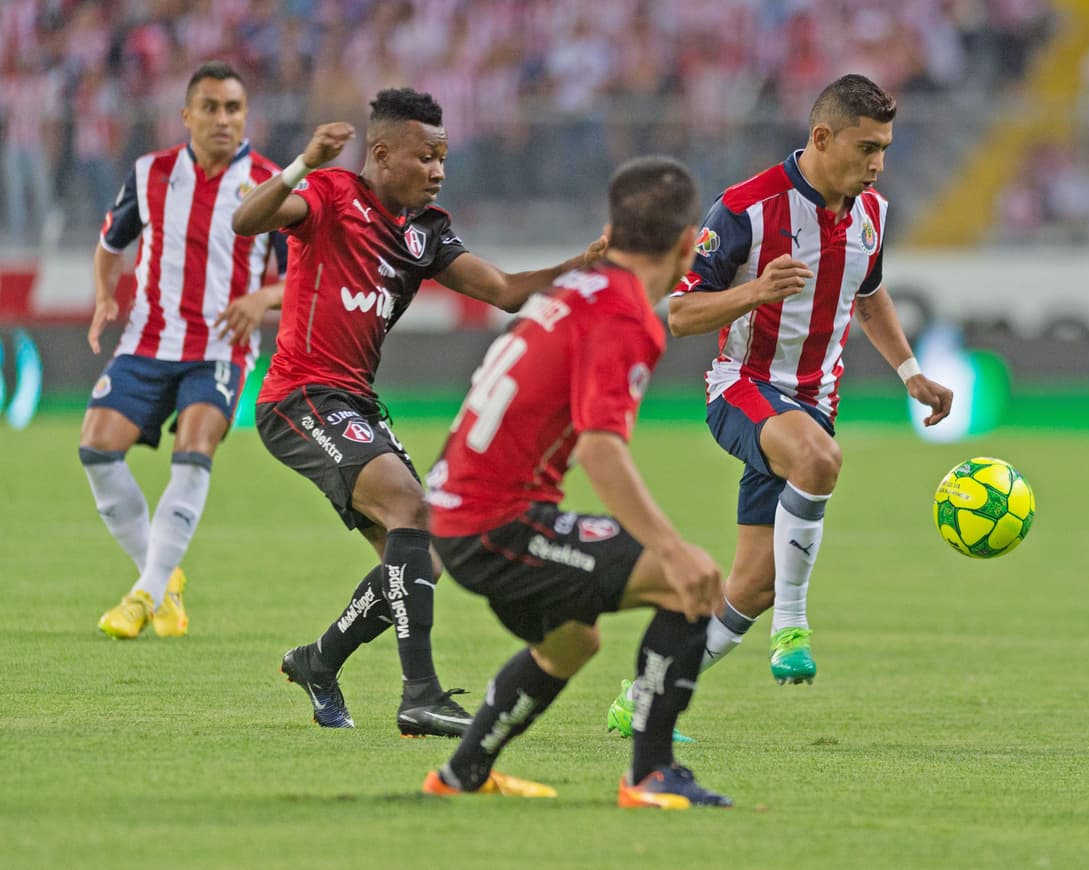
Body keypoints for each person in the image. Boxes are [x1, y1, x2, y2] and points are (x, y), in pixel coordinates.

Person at [232, 88, 607, 738]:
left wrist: (581, 265)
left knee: (423, 558)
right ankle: (420, 695)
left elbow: (505, 291)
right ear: (381, 153)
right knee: (409, 507)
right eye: (425, 157)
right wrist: (302, 163)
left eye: (443, 159)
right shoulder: (330, 194)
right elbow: (247, 220)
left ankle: (319, 661)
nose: (437, 171)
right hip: (299, 396)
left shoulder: (425, 234)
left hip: (353, 403)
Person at [606, 74, 953, 736]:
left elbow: (868, 296)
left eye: (885, 149)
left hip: (813, 404)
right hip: (743, 388)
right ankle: (793, 626)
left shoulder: (872, 214)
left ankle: (645, 696)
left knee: (751, 588)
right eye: (867, 148)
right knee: (820, 460)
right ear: (822, 137)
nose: (878, 164)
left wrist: (911, 373)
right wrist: (755, 292)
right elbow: (679, 312)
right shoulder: (745, 209)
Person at [421, 156, 731, 808]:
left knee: (571, 640)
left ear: (610, 232)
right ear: (686, 245)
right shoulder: (624, 313)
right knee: (690, 582)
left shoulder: (576, 288)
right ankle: (650, 774)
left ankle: (461, 775)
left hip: (452, 510)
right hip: (495, 522)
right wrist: (671, 549)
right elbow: (599, 448)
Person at [84, 61, 287, 640]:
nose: (223, 119)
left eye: (233, 108)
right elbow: (110, 243)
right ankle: (163, 577)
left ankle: (143, 595)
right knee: (97, 449)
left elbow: (303, 276)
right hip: (148, 339)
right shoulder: (150, 173)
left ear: (245, 116)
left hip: (221, 347)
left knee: (194, 450)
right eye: (211, 107)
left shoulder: (271, 185)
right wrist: (104, 294)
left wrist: (263, 297)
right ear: (187, 115)